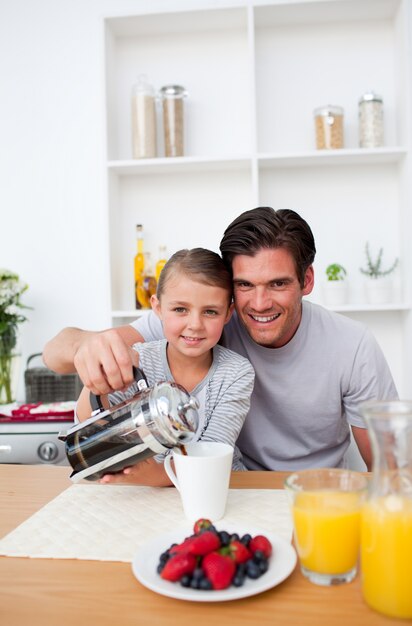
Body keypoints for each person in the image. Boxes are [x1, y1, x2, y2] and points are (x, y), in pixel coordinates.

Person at [44, 207, 398, 474]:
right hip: (230, 487)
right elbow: (54, 353)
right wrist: (85, 345)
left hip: (315, 495)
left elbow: (391, 469)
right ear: (229, 292)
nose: (259, 304)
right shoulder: (203, 324)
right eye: (245, 285)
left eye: (278, 284)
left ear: (306, 280)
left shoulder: (352, 347)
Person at [74, 247, 255, 486]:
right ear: (157, 307)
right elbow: (93, 428)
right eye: (180, 309)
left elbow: (213, 455)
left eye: (210, 311)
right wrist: (97, 373)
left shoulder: (237, 372)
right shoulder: (137, 360)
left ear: (227, 313)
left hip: (219, 489)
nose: (195, 325)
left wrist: (157, 476)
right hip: (144, 496)